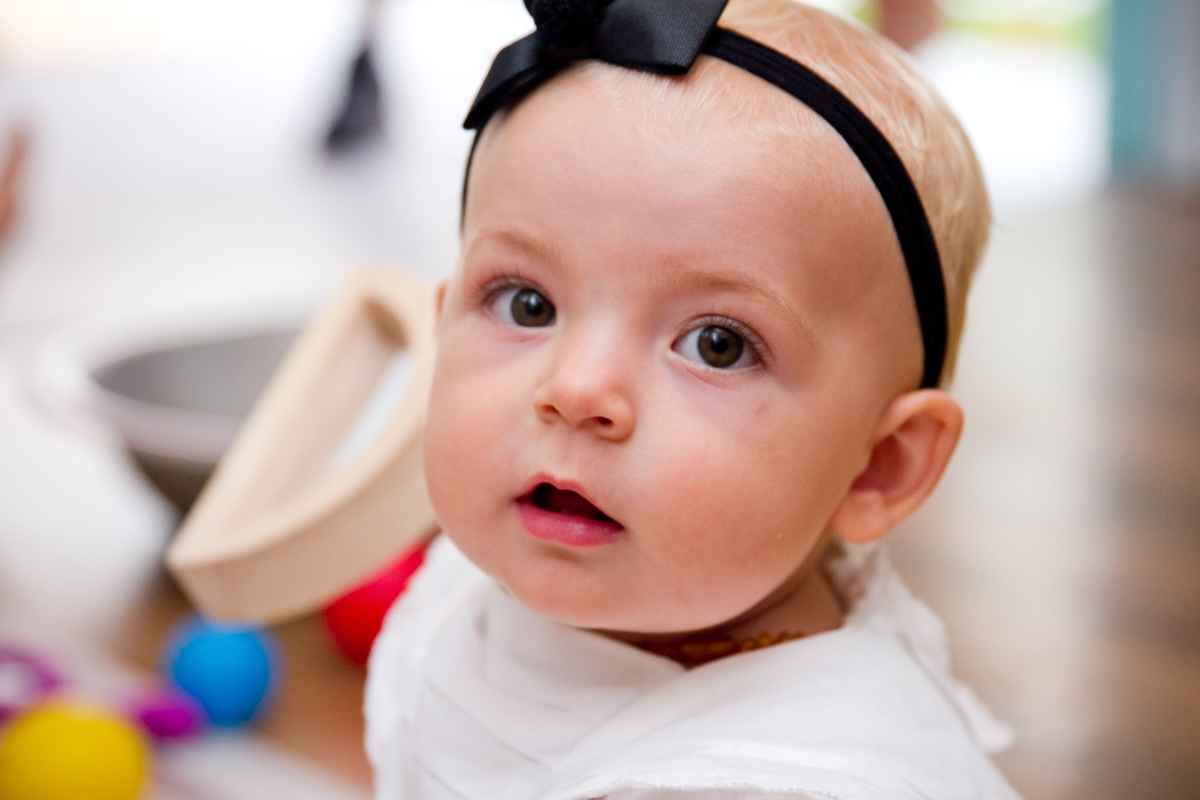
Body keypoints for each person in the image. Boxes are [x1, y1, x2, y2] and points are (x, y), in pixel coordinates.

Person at [365, 0, 1021, 797]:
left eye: (717, 345)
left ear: (878, 466)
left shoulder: (799, 777)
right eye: (526, 304)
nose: (576, 390)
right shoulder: (459, 593)